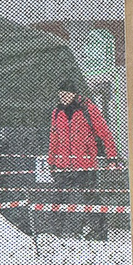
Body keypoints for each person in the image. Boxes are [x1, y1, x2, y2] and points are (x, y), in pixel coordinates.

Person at [46, 85, 117, 241]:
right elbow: (54, 138)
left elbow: (104, 133)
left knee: (90, 198)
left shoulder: (87, 108)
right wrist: (51, 162)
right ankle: (55, 233)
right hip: (63, 165)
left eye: (66, 94)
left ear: (74, 94)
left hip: (85, 164)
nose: (63, 98)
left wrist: (111, 157)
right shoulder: (57, 112)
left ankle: (99, 232)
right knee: (58, 198)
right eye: (61, 95)